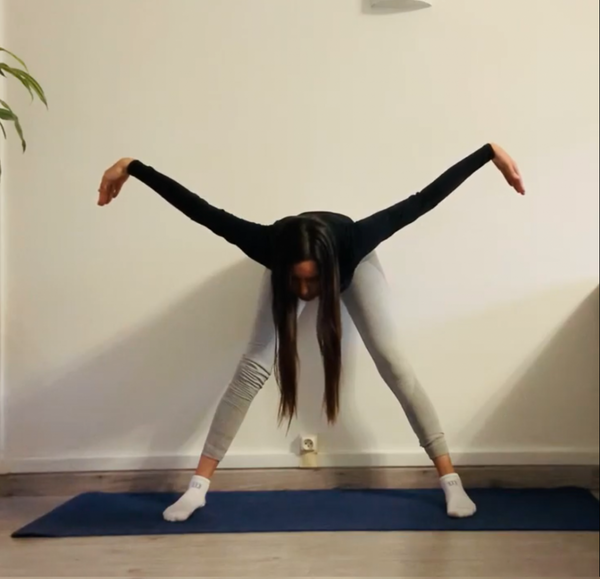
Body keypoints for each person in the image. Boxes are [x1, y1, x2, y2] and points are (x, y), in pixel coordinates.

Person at [98, 142, 525, 523]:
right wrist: (131, 166)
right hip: (289, 255)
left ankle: (451, 481)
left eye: (313, 282)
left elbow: (421, 201)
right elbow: (200, 210)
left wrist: (488, 154)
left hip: (351, 265)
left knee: (394, 363)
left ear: (328, 270)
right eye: (297, 282)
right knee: (250, 371)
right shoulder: (265, 245)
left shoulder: (356, 240)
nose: (306, 293)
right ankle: (198, 490)